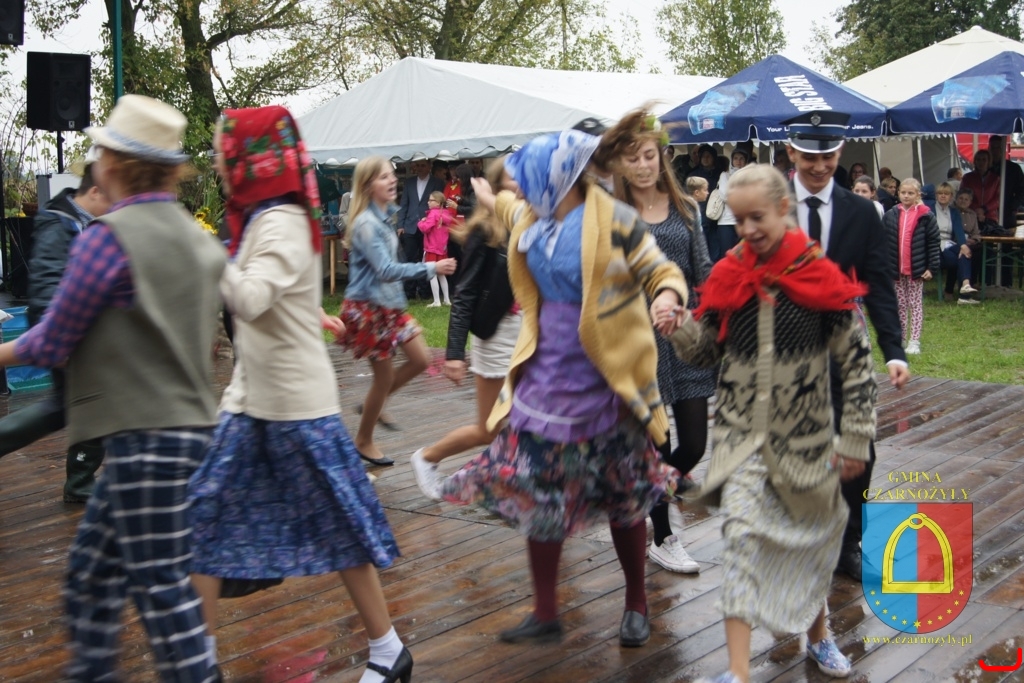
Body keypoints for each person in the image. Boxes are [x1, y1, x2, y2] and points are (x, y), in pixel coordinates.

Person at [0, 94, 225, 682]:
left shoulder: (107, 238)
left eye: (101, 150)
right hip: (190, 434)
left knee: (167, 603)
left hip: (143, 441)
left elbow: (53, 342)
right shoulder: (200, 241)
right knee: (90, 578)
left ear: (115, 165)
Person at [189, 106, 411, 683]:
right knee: (203, 518)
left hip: (294, 407)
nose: (218, 162)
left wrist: (205, 249)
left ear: (254, 160)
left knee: (339, 525)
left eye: (225, 151)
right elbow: (274, 295)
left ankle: (388, 651)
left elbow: (249, 299)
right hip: (251, 400)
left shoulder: (282, 221)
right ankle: (198, 664)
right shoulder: (262, 219)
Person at [440, 130, 686, 648]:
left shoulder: (615, 220)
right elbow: (508, 207)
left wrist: (666, 297)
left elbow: (659, 269)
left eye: (528, 181)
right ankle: (546, 611)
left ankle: (636, 602)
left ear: (559, 181)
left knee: (623, 495)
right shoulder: (534, 215)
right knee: (541, 492)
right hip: (544, 378)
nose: (521, 190)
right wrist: (489, 196)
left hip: (605, 377)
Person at [672, 164, 876, 683]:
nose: (745, 230)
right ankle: (738, 672)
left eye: (756, 217)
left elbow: (856, 362)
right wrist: (680, 327)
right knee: (740, 543)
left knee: (804, 547)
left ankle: (819, 637)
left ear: (784, 209)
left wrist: (855, 436)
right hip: (742, 441)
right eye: (738, 220)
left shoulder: (817, 273)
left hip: (805, 443)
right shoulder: (729, 272)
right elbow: (704, 354)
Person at [783, 110, 908, 581]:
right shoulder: (769, 206)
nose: (820, 166)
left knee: (859, 445)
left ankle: (849, 542)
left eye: (829, 156)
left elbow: (878, 284)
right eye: (809, 157)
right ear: (791, 153)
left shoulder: (861, 212)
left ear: (839, 153)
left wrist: (893, 350)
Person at [592, 108, 714, 575]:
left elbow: (702, 271)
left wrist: (704, 314)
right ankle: (663, 537)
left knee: (694, 445)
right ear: (620, 164)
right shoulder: (609, 214)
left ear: (661, 157)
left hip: (682, 338)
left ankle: (646, 490)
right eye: (633, 158)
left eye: (649, 155)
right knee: (656, 446)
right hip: (638, 345)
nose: (643, 165)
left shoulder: (686, 208)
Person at [0, 150, 109, 502]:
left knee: (75, 404)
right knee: (71, 405)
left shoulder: (83, 223)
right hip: (60, 329)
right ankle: (80, 483)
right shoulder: (59, 222)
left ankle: (80, 481)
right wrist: (58, 337)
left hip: (75, 330)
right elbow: (47, 283)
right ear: (94, 192)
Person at [410, 158, 522, 500]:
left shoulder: (531, 223)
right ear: (496, 187)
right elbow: (465, 293)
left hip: (530, 335)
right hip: (498, 335)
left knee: (536, 416)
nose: (521, 183)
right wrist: (455, 353)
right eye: (513, 178)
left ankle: (513, 481)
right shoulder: (485, 231)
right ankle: (428, 458)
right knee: (489, 427)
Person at [340, 156, 457, 467]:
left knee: (421, 359)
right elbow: (387, 270)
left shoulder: (383, 217)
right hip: (369, 309)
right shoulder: (366, 224)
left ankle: (374, 404)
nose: (392, 180)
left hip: (389, 306)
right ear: (368, 186)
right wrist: (432, 267)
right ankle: (364, 440)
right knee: (382, 379)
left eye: (392, 175)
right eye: (383, 177)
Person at [883, 178, 939, 355]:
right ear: (898, 193)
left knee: (915, 305)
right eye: (903, 192)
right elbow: (883, 240)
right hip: (896, 268)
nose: (906, 196)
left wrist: (931, 267)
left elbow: (933, 243)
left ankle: (914, 341)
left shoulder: (926, 215)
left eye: (910, 193)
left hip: (917, 268)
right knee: (899, 304)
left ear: (918, 195)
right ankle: (900, 338)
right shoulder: (891, 214)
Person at [396, 155, 445, 299]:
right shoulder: (409, 182)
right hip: (410, 226)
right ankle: (409, 292)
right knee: (409, 258)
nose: (420, 168)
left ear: (429, 166)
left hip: (429, 227)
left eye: (423, 165)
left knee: (426, 259)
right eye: (417, 165)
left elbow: (441, 204)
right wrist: (400, 225)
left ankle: (425, 291)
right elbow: (404, 204)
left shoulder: (437, 182)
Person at [926, 181, 978, 302]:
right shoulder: (929, 209)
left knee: (965, 252)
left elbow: (959, 230)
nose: (943, 196)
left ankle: (965, 285)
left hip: (948, 243)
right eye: (940, 193)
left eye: (946, 194)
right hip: (934, 245)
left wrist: (963, 245)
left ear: (951, 196)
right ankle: (963, 295)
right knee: (958, 260)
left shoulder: (954, 212)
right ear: (936, 195)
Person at [708, 147, 748, 261]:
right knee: (727, 256)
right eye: (735, 158)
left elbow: (752, 196)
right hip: (726, 222)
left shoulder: (750, 176)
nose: (738, 161)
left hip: (744, 221)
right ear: (732, 160)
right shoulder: (725, 175)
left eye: (741, 158)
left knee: (744, 255)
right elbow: (725, 196)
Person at [418, 190, 453, 307]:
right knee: (441, 275)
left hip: (431, 248)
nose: (428, 202)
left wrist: (420, 222)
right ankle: (447, 299)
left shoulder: (432, 214)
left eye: (431, 200)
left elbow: (425, 228)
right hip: (442, 248)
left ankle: (437, 301)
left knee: (432, 273)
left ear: (438, 202)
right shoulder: (446, 213)